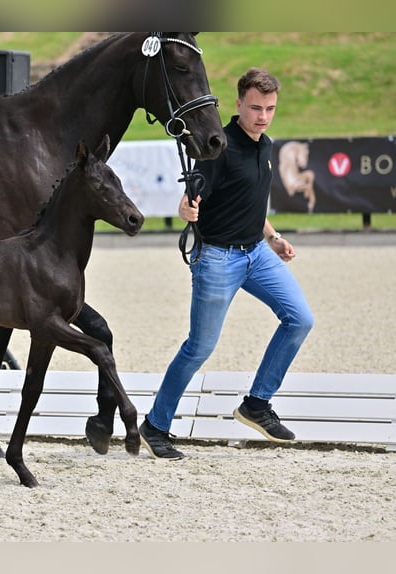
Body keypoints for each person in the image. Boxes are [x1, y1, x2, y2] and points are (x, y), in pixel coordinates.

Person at [140, 67, 315, 459]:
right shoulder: (217, 147)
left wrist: (274, 238)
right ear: (238, 105)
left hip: (257, 252)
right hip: (217, 257)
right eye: (255, 108)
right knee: (199, 347)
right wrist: (186, 208)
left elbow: (252, 202)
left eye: (269, 108)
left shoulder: (265, 145)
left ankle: (257, 404)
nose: (263, 116)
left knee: (300, 319)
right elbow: (191, 198)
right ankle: (155, 425)